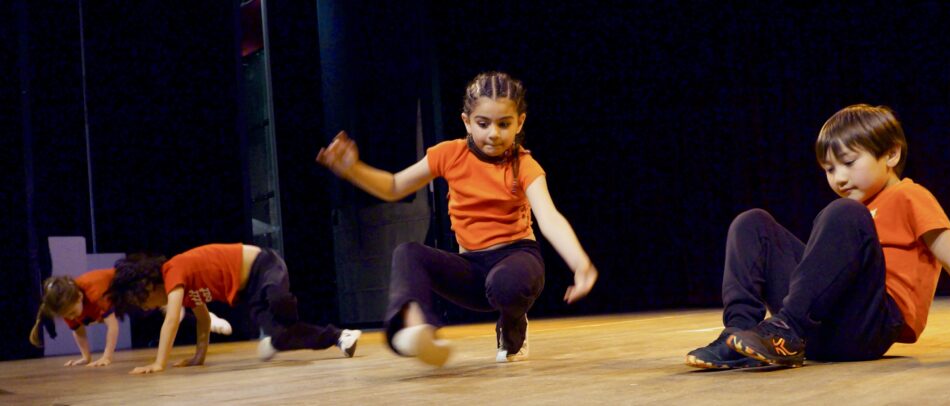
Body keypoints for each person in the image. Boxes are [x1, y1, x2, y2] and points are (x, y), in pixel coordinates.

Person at [686, 104, 950, 369]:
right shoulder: (853, 210)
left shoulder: (909, 196)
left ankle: (786, 329)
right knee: (753, 223)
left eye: (848, 162)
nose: (839, 178)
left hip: (870, 326)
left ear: (891, 155)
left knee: (844, 212)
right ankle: (739, 336)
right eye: (829, 169)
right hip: (822, 327)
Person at [317, 71, 598, 367]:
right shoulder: (449, 154)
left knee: (505, 282)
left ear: (520, 123)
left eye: (504, 124)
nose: (494, 133)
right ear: (466, 121)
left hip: (517, 259)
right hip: (472, 269)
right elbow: (394, 186)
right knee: (408, 253)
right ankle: (416, 329)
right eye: (483, 123)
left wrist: (581, 264)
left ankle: (512, 325)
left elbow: (549, 217)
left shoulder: (523, 163)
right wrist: (353, 170)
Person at [107, 243, 362, 374]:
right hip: (250, 291)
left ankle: (286, 325)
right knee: (283, 336)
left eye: (143, 302)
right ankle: (340, 336)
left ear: (148, 287)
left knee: (276, 300)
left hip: (264, 265)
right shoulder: (184, 294)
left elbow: (171, 320)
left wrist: (159, 363)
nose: (148, 308)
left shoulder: (172, 271)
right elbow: (204, 321)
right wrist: (199, 357)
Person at [28, 268, 233, 367]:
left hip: (134, 287)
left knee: (169, 307)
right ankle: (188, 312)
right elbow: (78, 331)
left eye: (73, 312)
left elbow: (112, 326)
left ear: (80, 296)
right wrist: (86, 357)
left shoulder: (94, 291)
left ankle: (209, 316)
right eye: (69, 315)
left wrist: (107, 356)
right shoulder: (66, 307)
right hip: (122, 300)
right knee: (161, 313)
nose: (73, 317)